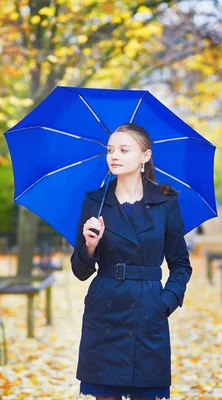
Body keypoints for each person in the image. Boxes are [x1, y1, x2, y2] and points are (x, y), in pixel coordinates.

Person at [71, 123, 193, 400]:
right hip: (104, 313)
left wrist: (164, 303)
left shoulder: (166, 201)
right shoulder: (95, 202)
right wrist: (90, 246)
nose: (114, 156)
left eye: (124, 150)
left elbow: (181, 264)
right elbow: (79, 270)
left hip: (148, 311)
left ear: (145, 157)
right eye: (111, 150)